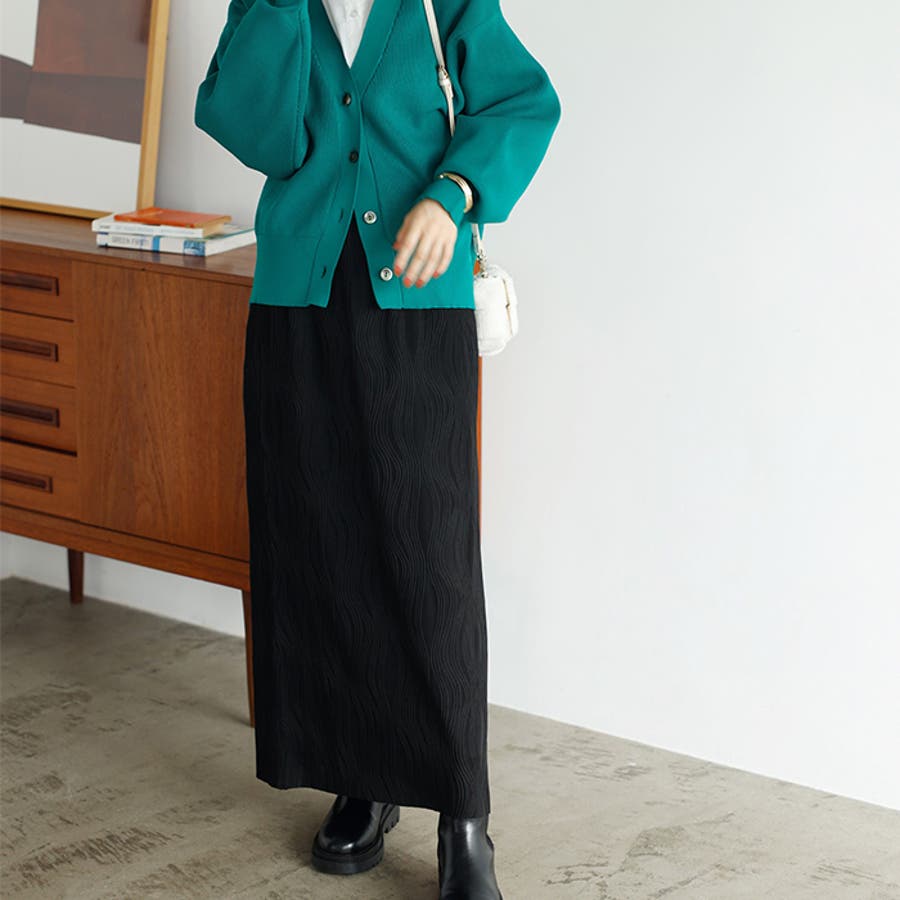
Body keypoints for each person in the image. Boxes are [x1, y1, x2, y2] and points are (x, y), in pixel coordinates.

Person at [194, 0, 560, 895]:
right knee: (321, 547)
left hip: (417, 304)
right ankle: (361, 779)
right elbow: (259, 134)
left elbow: (521, 100)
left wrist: (454, 192)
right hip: (296, 305)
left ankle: (463, 815)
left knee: (429, 557)